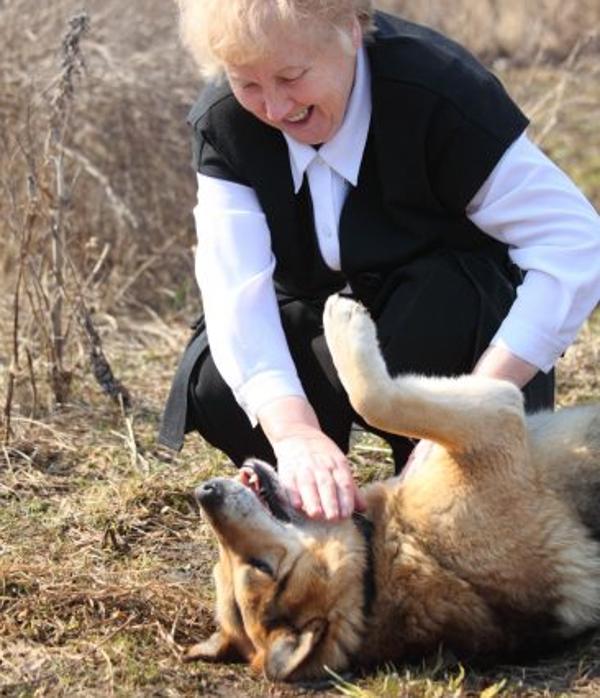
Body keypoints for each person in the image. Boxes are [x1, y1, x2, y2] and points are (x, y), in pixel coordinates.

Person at [160, 0, 600, 522]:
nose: (275, 109)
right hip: (321, 319)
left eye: (291, 76)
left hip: (451, 330)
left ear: (349, 30)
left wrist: (468, 414)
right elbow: (233, 289)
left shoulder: (438, 91)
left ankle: (445, 481)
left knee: (435, 312)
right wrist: (294, 431)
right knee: (216, 381)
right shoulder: (225, 121)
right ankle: (313, 500)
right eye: (247, 83)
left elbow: (575, 243)